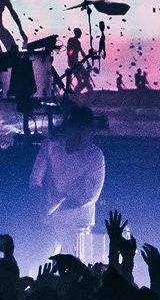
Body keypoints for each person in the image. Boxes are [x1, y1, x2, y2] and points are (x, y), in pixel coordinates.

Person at [32, 106, 106, 255]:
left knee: (74, 263)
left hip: (79, 224)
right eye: (77, 132)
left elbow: (90, 195)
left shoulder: (95, 156)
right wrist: (40, 206)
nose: (80, 138)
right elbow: (35, 179)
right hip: (51, 222)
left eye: (85, 133)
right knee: (44, 259)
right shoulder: (51, 146)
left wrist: (60, 203)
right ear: (69, 129)